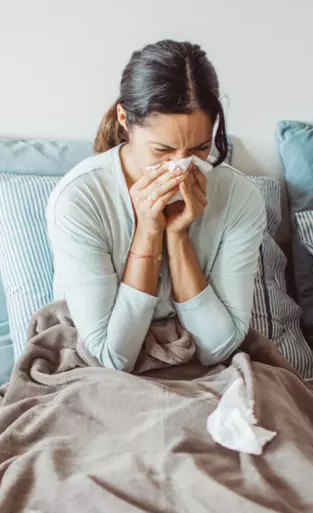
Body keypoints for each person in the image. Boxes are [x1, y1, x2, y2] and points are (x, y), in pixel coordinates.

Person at [46, 40, 266, 372]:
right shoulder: (81, 199)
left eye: (200, 148)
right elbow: (111, 358)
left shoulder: (239, 197)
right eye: (163, 150)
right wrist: (149, 231)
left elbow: (218, 348)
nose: (181, 166)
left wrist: (178, 238)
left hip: (203, 370)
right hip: (97, 373)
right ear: (124, 118)